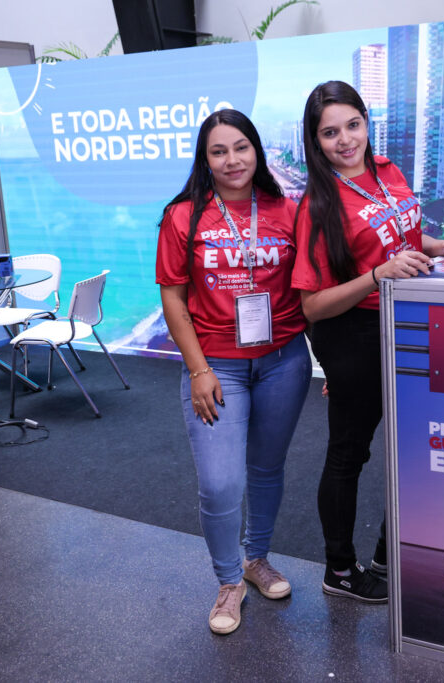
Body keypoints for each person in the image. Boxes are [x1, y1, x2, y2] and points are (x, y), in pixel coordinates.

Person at [292, 80, 444, 603]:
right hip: (353, 332)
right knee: (350, 453)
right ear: (314, 140)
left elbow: (404, 237)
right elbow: (312, 306)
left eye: (352, 125)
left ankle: (391, 556)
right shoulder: (318, 205)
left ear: (367, 122)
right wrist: (377, 276)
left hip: (406, 323)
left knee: (412, 449)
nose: (345, 141)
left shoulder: (387, 171)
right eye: (329, 133)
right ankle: (339, 571)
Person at [156, 109, 311, 635]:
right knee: (221, 483)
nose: (232, 160)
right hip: (216, 363)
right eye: (218, 151)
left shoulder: (285, 209)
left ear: (257, 151)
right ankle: (228, 581)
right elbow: (174, 300)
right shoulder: (183, 216)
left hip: (284, 360)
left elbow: (312, 288)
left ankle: (256, 558)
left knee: (267, 469)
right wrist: (198, 370)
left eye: (241, 147)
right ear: (205, 160)